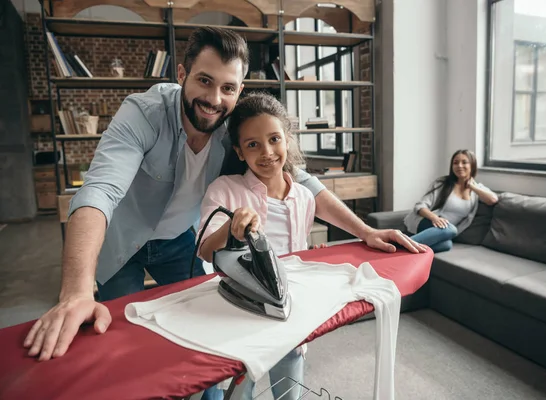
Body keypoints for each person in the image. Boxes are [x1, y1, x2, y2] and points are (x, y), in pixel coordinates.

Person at [22, 26, 426, 398]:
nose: (214, 99)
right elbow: (99, 192)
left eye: (228, 88)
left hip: (180, 241)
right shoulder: (142, 113)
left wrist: (365, 232)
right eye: (204, 80)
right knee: (122, 343)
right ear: (182, 72)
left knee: (201, 339)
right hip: (122, 243)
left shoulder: (236, 125)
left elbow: (297, 178)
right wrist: (75, 292)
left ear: (240, 89)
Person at [197, 92, 321, 399]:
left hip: (289, 320)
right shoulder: (224, 191)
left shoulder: (305, 198)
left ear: (288, 140)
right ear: (239, 152)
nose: (266, 152)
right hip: (242, 320)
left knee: (289, 394)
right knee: (240, 393)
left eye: (274, 139)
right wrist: (231, 226)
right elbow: (204, 250)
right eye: (253, 144)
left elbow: (298, 252)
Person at [403, 149, 498, 253]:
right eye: (455, 163)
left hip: (444, 233)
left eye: (464, 162)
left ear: (472, 165)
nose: (459, 166)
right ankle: (402, 244)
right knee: (451, 230)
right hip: (429, 222)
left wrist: (472, 187)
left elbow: (493, 199)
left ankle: (404, 248)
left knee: (446, 245)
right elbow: (420, 206)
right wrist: (434, 218)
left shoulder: (476, 190)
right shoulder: (442, 183)